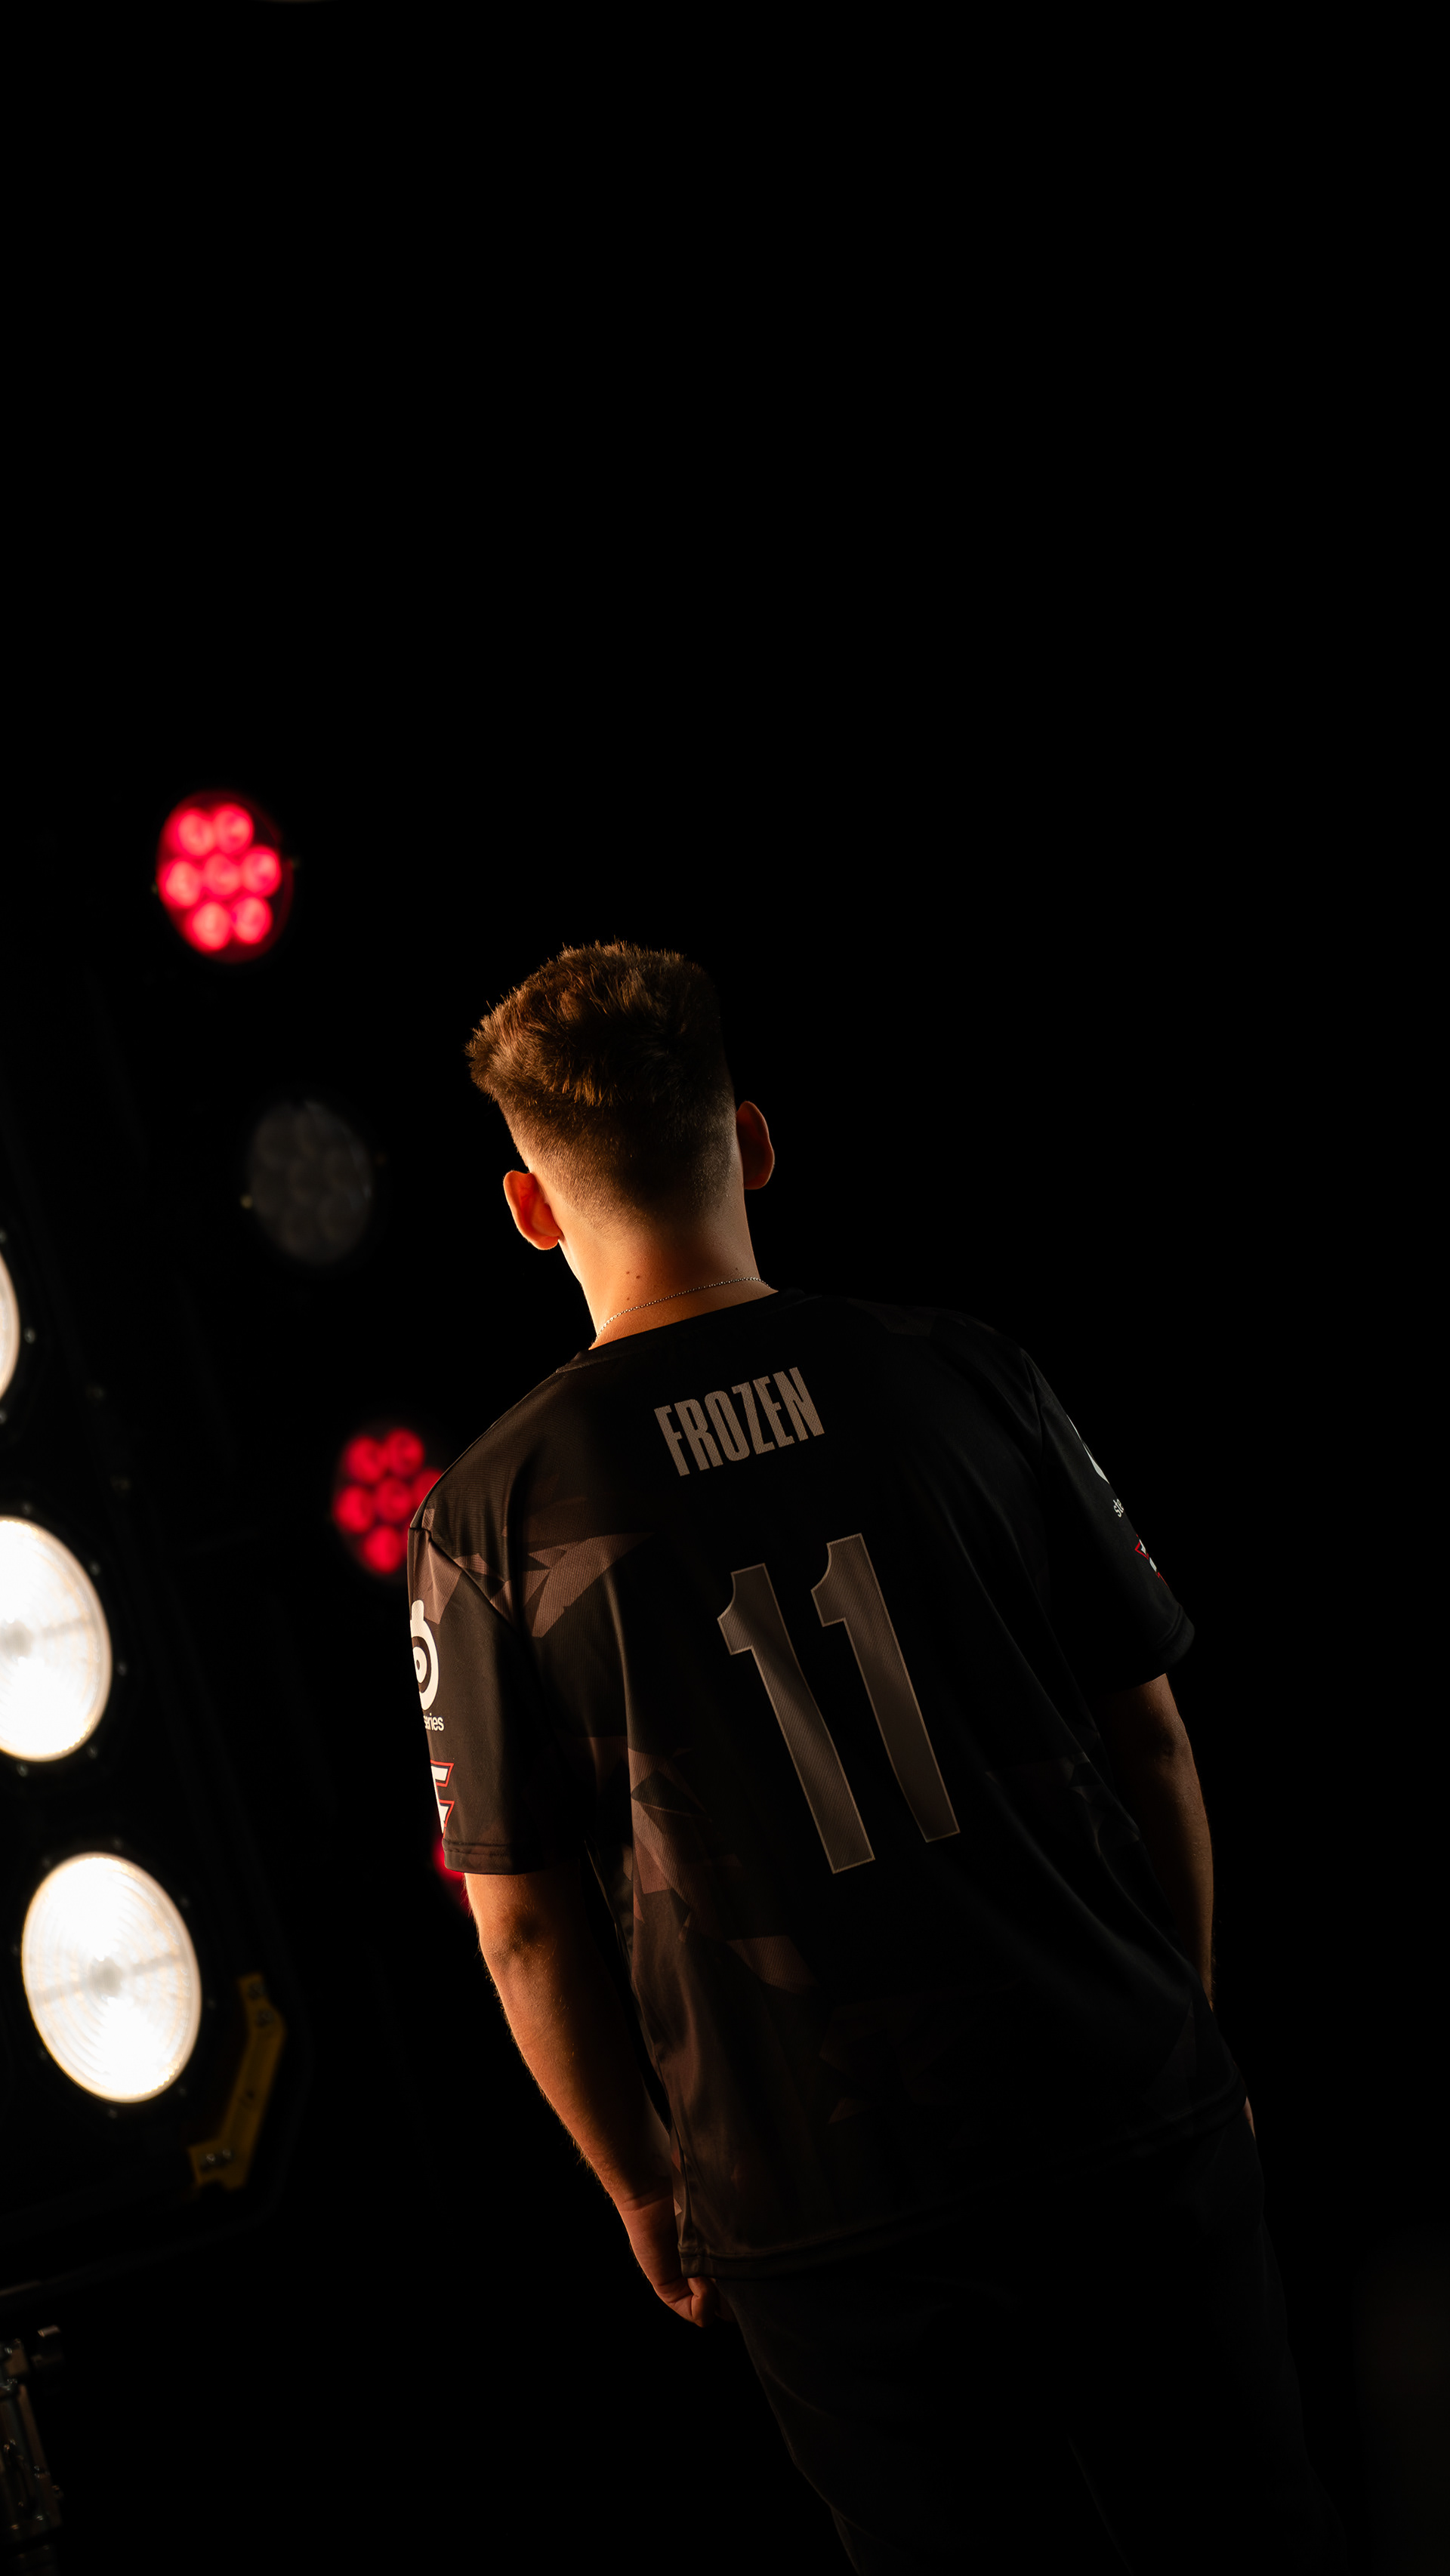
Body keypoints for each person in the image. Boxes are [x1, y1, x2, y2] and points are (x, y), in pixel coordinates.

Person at [406, 941, 1348, 2574]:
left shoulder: (488, 1517)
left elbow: (525, 1927)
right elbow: (1151, 1740)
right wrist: (1182, 2027)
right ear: (753, 1140)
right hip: (1119, 2094)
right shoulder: (965, 1372)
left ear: (531, 1210)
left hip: (812, 2184)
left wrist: (645, 2182)